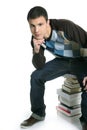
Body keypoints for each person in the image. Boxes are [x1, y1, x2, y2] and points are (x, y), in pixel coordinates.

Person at [20, 6, 87, 130]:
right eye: (32, 26)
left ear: (47, 22)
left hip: (82, 59)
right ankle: (38, 113)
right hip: (62, 61)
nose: (36, 30)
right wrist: (36, 50)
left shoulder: (65, 26)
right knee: (36, 76)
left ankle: (86, 120)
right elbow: (39, 65)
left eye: (40, 24)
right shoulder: (35, 39)